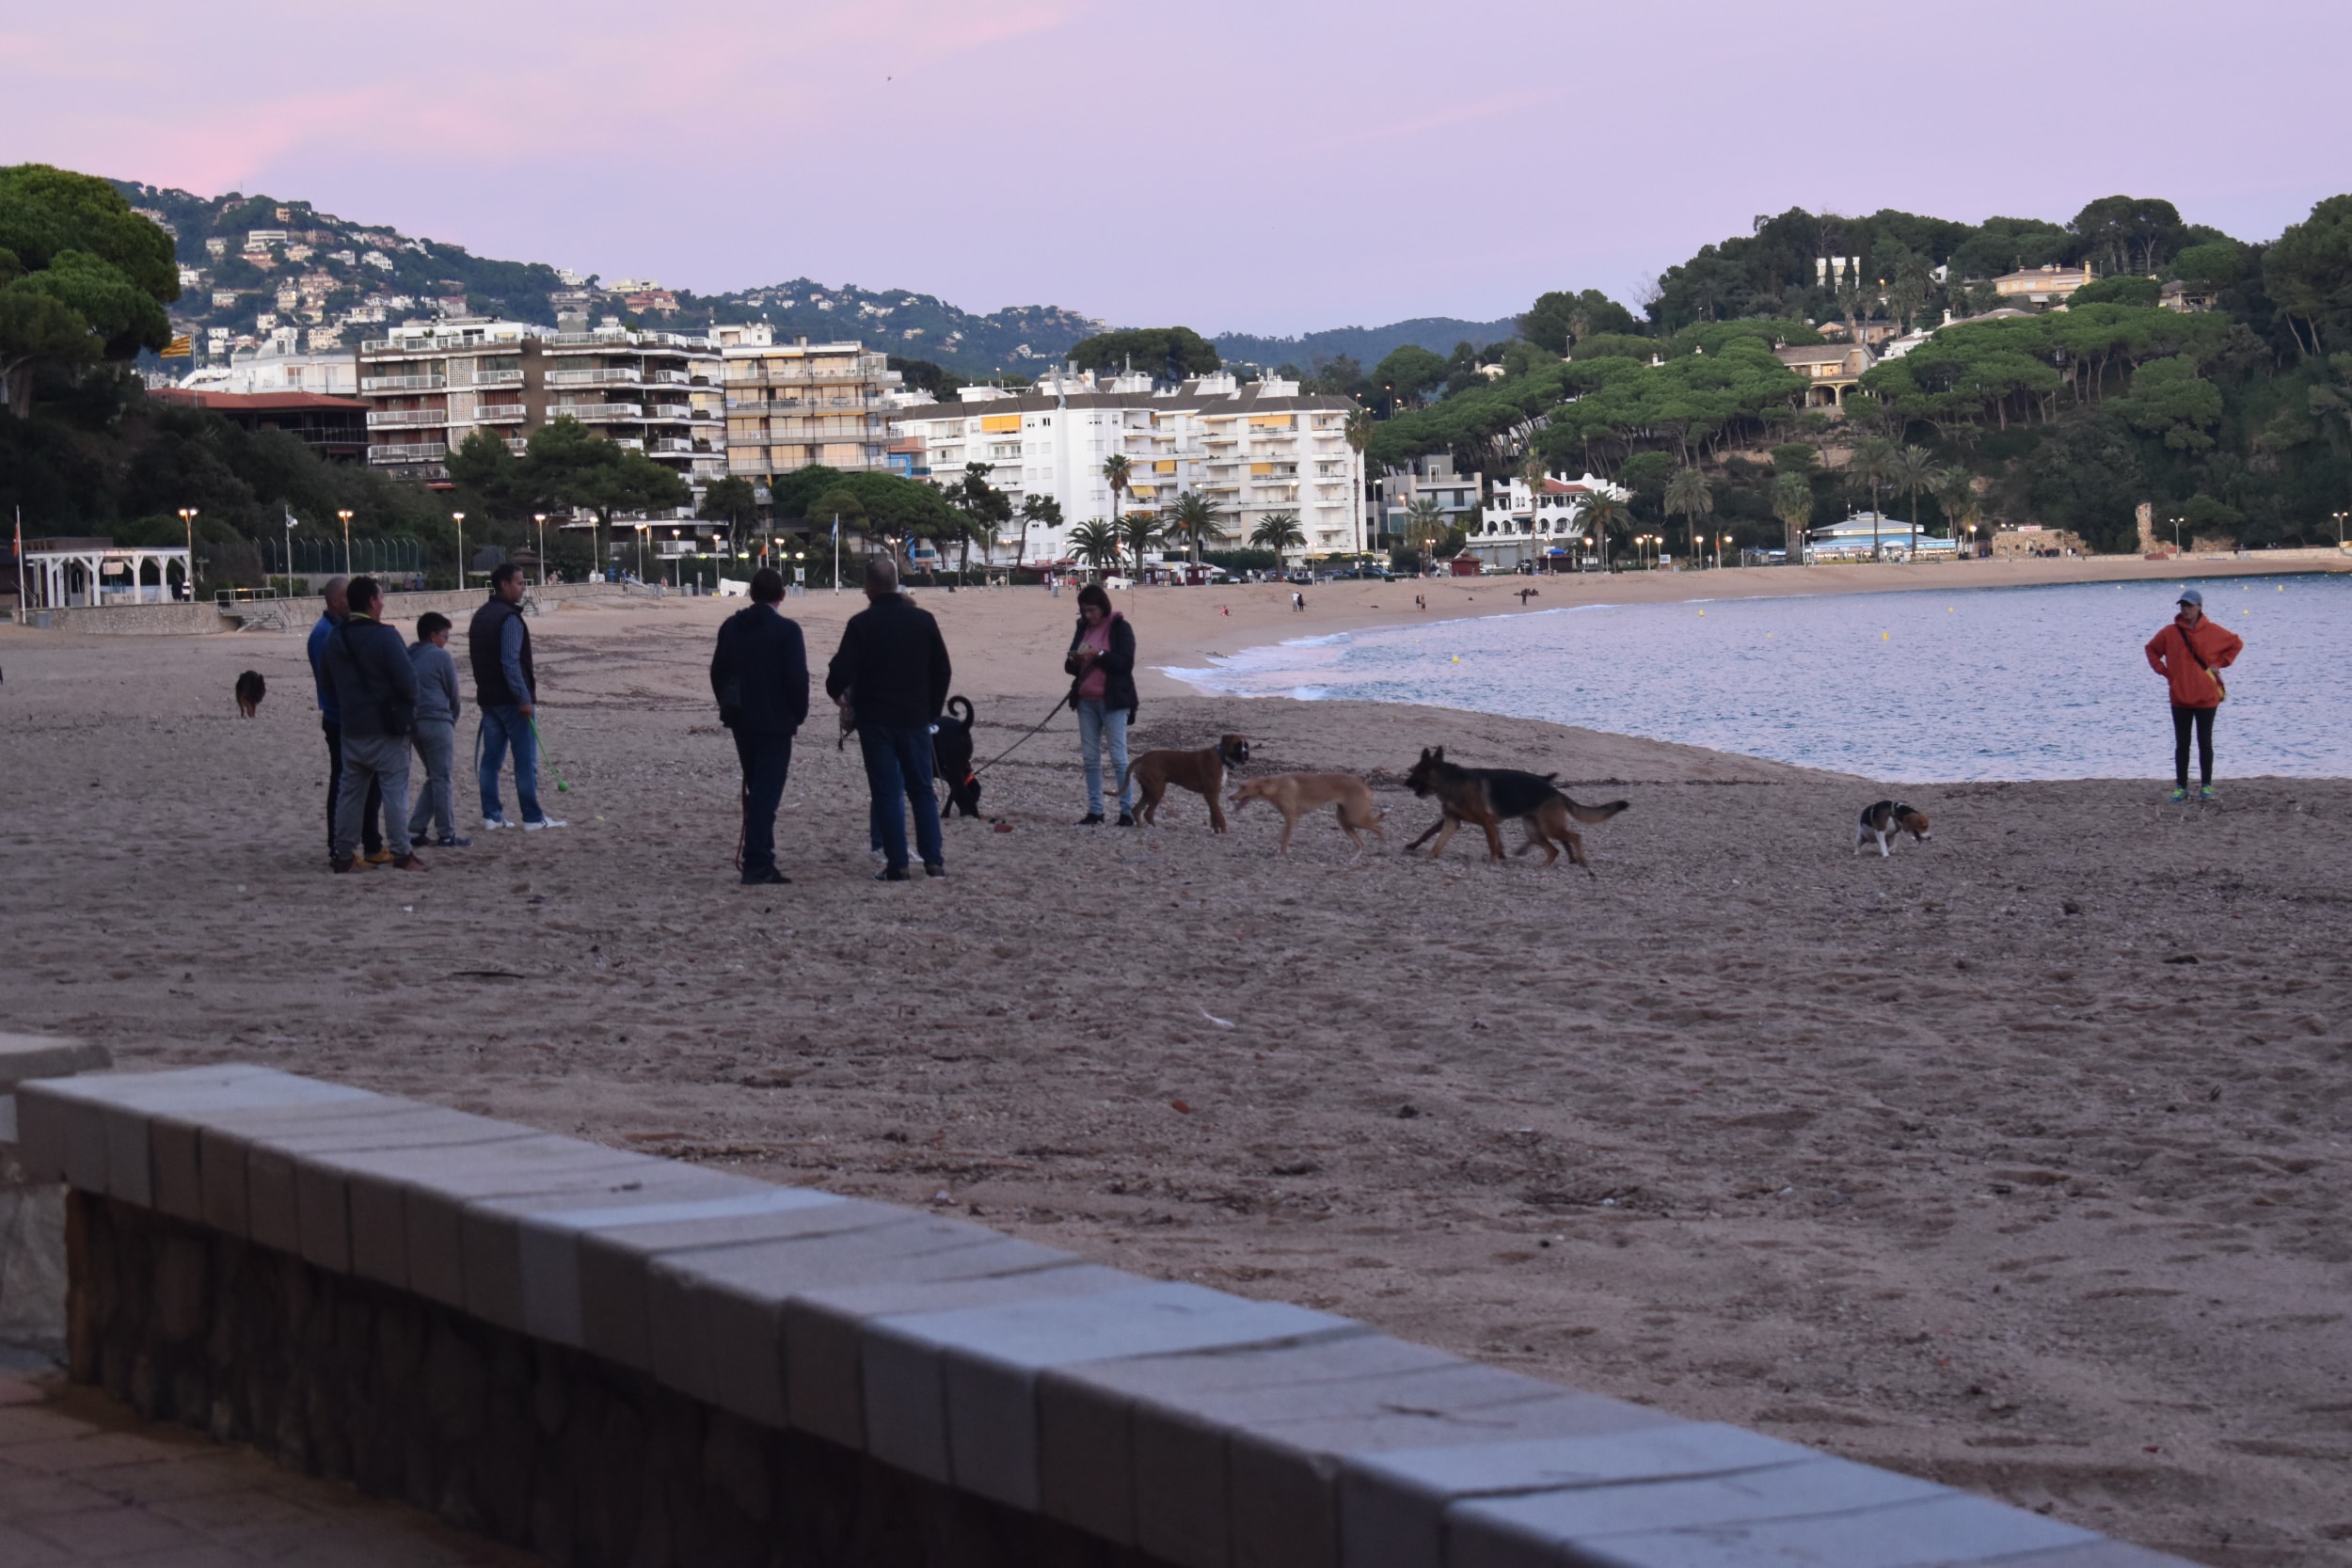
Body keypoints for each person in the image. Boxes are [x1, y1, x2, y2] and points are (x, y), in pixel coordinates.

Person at [825, 556, 950, 881]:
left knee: (887, 791)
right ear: (896, 583)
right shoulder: (923, 619)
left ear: (869, 588)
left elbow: (839, 672)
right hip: (914, 717)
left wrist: (840, 696)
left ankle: (898, 863)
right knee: (922, 789)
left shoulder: (861, 624)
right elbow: (943, 669)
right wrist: (932, 710)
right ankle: (933, 861)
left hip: (876, 719)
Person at [710, 566, 809, 885]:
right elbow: (797, 678)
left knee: (759, 788)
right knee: (766, 792)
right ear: (782, 596)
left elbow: (717, 673)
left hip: (742, 718)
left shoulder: (731, 627)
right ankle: (757, 860)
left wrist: (727, 704)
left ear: (752, 595)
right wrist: (799, 712)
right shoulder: (787, 631)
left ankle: (762, 855)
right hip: (775, 721)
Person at [320, 577, 424, 873]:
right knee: (394, 792)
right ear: (370, 602)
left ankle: (343, 855)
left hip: (352, 727)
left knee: (350, 793)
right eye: (380, 598)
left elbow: (327, 683)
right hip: (386, 729)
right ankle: (403, 854)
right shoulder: (385, 637)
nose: (382, 603)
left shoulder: (335, 637)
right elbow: (409, 684)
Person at [468, 563, 564, 831]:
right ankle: (532, 817)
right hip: (510, 701)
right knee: (524, 762)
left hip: (489, 700)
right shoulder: (508, 618)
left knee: (491, 760)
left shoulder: (480, 616)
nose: (523, 588)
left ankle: (492, 815)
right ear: (504, 585)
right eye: (519, 583)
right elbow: (509, 662)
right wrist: (523, 698)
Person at [307, 576, 383, 865]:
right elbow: (334, 681)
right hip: (341, 719)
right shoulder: (326, 634)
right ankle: (340, 846)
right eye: (349, 597)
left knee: (361, 782)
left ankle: (367, 842)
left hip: (346, 716)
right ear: (337, 601)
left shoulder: (336, 630)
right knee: (344, 783)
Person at [2145, 587, 2242, 803]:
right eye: (2183, 605)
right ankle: (2181, 787)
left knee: (2205, 742)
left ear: (2199, 607)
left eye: (2189, 605)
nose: (2185, 609)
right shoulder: (2170, 632)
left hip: (2207, 697)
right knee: (2182, 743)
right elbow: (2151, 649)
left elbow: (2236, 644)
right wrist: (2165, 672)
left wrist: (2220, 664)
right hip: (2180, 697)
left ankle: (2206, 786)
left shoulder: (2213, 631)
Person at [1064, 582, 1137, 826]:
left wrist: (1100, 655)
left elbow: (1125, 663)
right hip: (1086, 700)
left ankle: (1126, 811)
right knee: (1090, 757)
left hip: (1113, 700)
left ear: (1102, 607)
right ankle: (1095, 810)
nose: (1088, 615)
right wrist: (1076, 659)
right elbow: (1070, 665)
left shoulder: (1120, 627)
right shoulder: (1082, 627)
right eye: (1083, 611)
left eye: (1092, 610)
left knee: (1118, 756)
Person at [405, 611, 467, 848]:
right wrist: (452, 719)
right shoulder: (440, 657)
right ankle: (447, 833)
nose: (446, 640)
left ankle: (416, 828)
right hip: (437, 720)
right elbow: (453, 694)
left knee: (435, 776)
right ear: (433, 636)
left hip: (414, 723)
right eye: (445, 636)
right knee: (442, 778)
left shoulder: (408, 655)